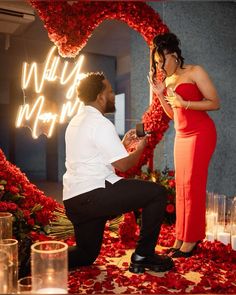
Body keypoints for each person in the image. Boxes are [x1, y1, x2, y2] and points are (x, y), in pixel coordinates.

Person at [63, 72, 174, 273]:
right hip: (95, 194)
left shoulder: (76, 121)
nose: (114, 95)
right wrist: (141, 146)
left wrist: (123, 145)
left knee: (86, 254)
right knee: (157, 193)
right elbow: (124, 166)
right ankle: (143, 256)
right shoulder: (101, 123)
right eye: (110, 91)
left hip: (74, 200)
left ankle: (34, 258)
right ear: (100, 96)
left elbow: (94, 157)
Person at [148, 33, 220, 257]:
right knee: (181, 187)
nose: (160, 66)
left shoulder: (195, 72)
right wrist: (161, 95)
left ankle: (192, 238)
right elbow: (173, 114)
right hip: (182, 136)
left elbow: (214, 103)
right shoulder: (168, 81)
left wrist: (184, 102)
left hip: (201, 134)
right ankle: (181, 237)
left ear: (175, 55)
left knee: (193, 185)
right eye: (157, 62)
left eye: (162, 61)